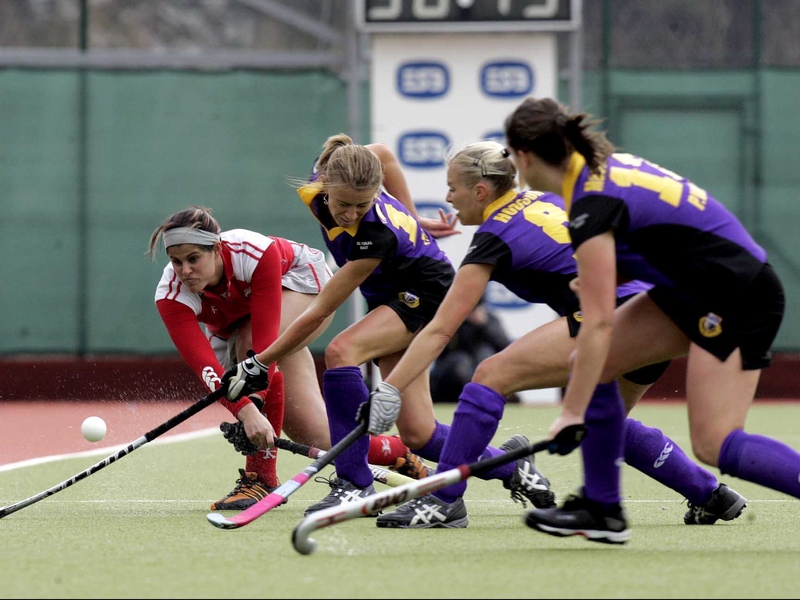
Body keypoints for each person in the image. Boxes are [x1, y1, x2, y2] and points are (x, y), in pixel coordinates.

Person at [364, 140, 745, 530]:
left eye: (453, 188)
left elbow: (441, 329)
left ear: (480, 191)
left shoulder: (493, 236)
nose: (448, 197)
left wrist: (391, 388)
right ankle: (711, 495)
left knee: (491, 376)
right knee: (605, 420)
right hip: (656, 312)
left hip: (611, 317)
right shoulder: (544, 200)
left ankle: (444, 501)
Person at [504, 96, 798, 544]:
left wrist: (571, 412)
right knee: (591, 360)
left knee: (714, 443)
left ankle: (601, 505)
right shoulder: (602, 169)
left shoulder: (589, 202)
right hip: (690, 290)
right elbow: (666, 236)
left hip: (735, 296)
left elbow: (599, 323)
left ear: (524, 156)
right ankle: (602, 510)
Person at [222, 134, 557, 516]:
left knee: (341, 351)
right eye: (344, 204)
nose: (350, 214)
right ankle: (513, 465)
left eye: (362, 205)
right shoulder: (330, 169)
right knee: (420, 434)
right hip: (390, 296)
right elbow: (383, 155)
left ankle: (354, 482)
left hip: (424, 290)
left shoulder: (374, 234)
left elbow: (318, 312)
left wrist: (260, 362)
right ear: (325, 184)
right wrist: (414, 217)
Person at [148, 206, 429, 511]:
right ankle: (398, 451)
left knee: (250, 343)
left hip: (302, 286)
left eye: (193, 259)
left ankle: (261, 479)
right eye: (176, 262)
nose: (185, 271)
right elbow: (208, 370)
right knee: (317, 436)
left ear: (216, 249)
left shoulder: (252, 251)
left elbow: (265, 346)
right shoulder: (171, 295)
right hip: (240, 334)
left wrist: (252, 404)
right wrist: (246, 412)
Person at [430, 296, 517, 404]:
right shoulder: (450, 320)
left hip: (479, 366)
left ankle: (486, 397)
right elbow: (439, 351)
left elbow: (505, 348)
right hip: (452, 374)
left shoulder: (489, 320)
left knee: (484, 354)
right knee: (461, 362)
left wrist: (483, 325)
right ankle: (473, 398)